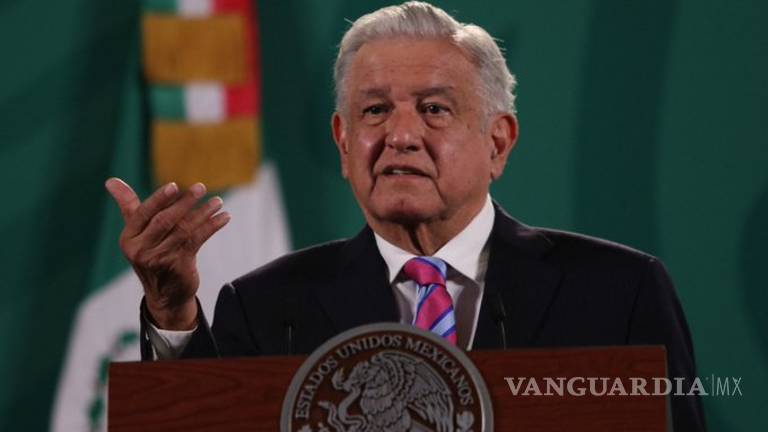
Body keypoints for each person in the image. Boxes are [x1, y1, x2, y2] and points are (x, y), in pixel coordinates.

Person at [105, 2, 705, 429]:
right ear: (343, 142)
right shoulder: (266, 307)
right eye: (374, 111)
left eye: (434, 109)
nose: (400, 135)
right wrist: (172, 311)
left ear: (498, 142)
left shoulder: (619, 291)